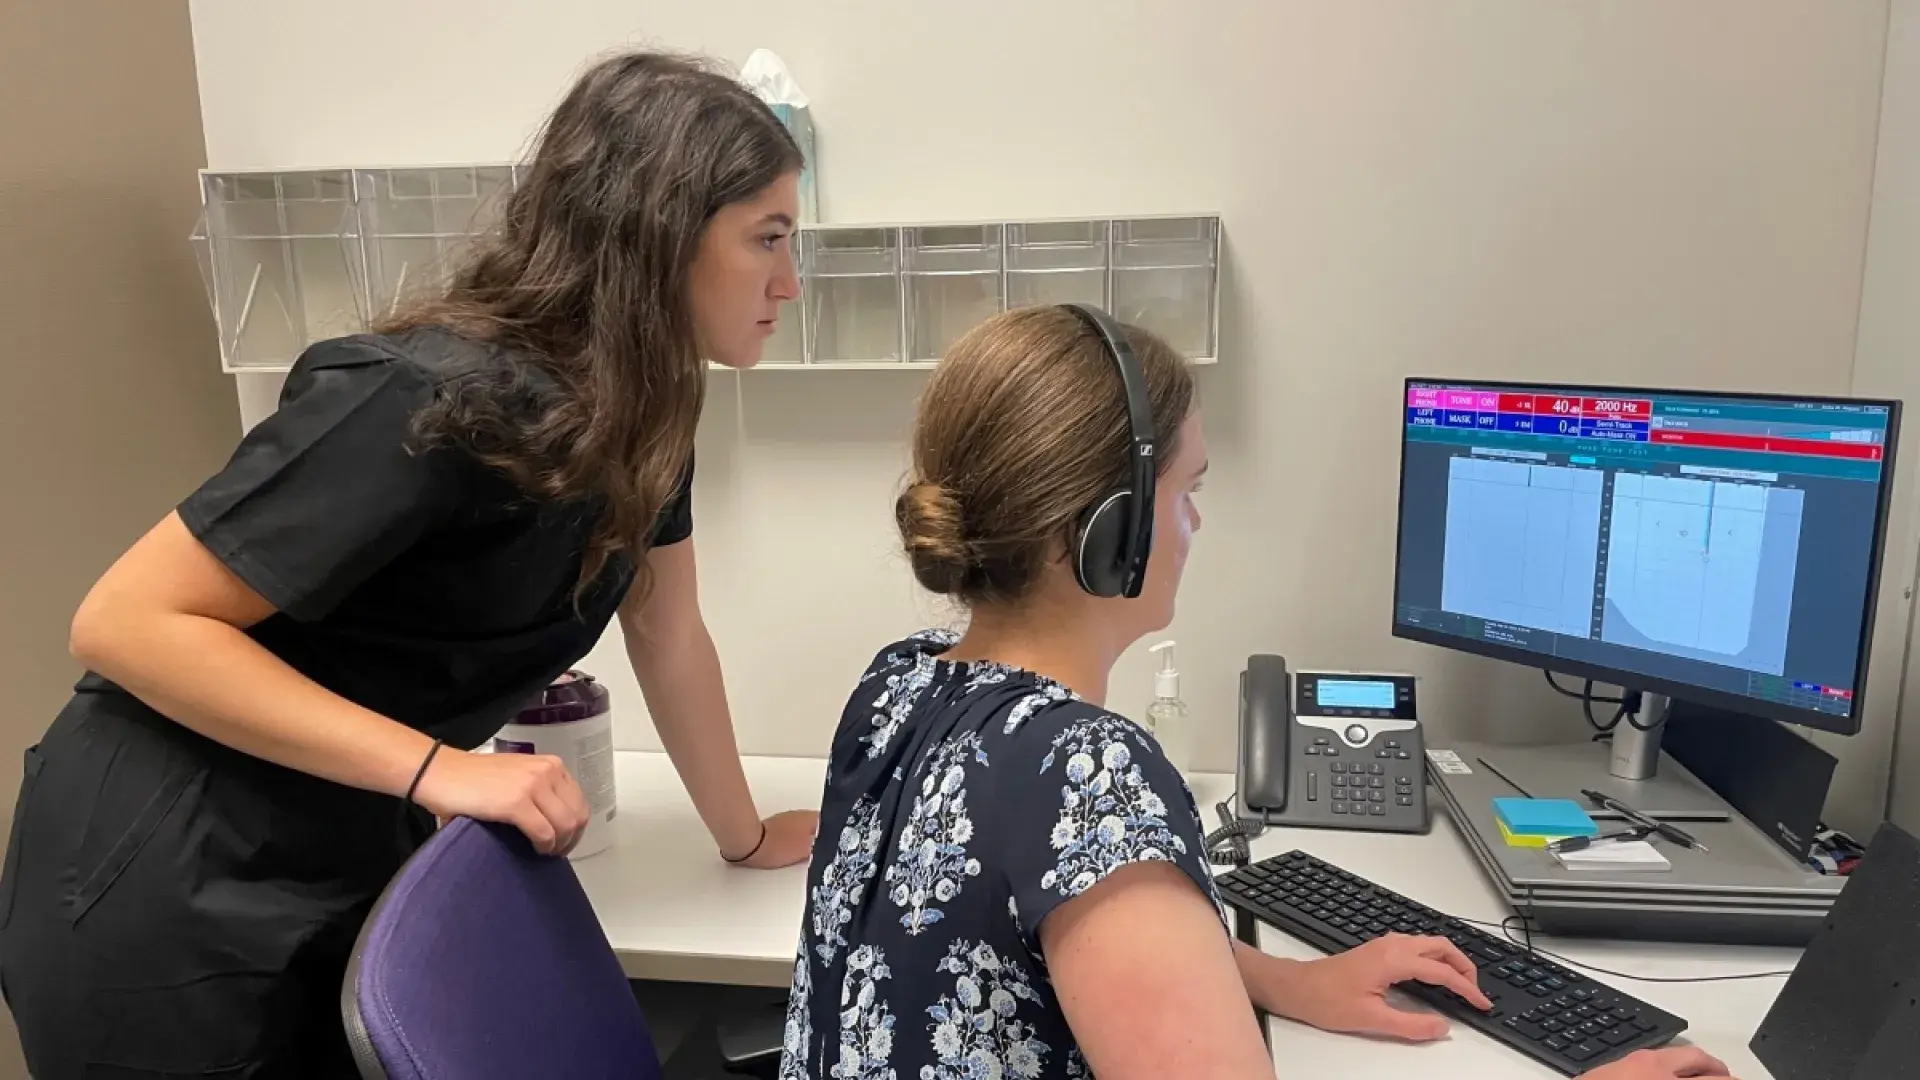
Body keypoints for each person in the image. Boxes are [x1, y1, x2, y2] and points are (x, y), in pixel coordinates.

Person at [0, 49, 819, 1079]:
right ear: (659, 234)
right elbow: (124, 621)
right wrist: (440, 770)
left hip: (337, 832)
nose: (790, 283)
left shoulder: (645, 413)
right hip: (167, 867)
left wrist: (740, 835)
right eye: (768, 240)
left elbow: (668, 629)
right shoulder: (418, 397)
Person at [777, 305, 1735, 1080]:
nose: (1196, 521)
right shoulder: (1086, 775)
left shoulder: (900, 680)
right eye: (1188, 489)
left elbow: (1059, 938)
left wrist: (1285, 981)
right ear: (1113, 535)